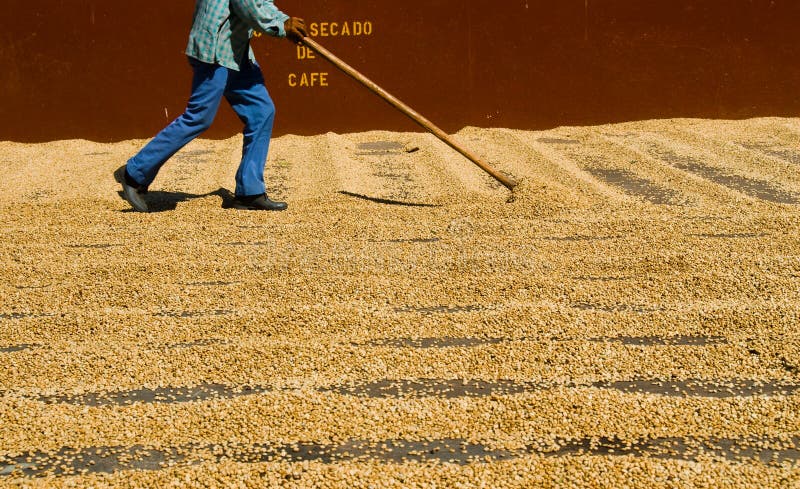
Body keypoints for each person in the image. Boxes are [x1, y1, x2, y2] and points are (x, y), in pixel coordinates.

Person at [116, 0, 308, 212]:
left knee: (261, 111)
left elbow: (259, 3)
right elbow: (248, 5)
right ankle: (133, 174)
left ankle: (249, 192)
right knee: (198, 117)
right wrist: (282, 26)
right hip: (215, 50)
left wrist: (284, 22)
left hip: (236, 51)